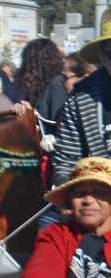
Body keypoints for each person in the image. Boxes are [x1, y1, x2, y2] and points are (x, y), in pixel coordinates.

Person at [52, 27, 111, 186]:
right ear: (102, 56)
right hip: (100, 196)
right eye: (110, 53)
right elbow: (66, 162)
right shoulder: (81, 97)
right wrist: (69, 194)